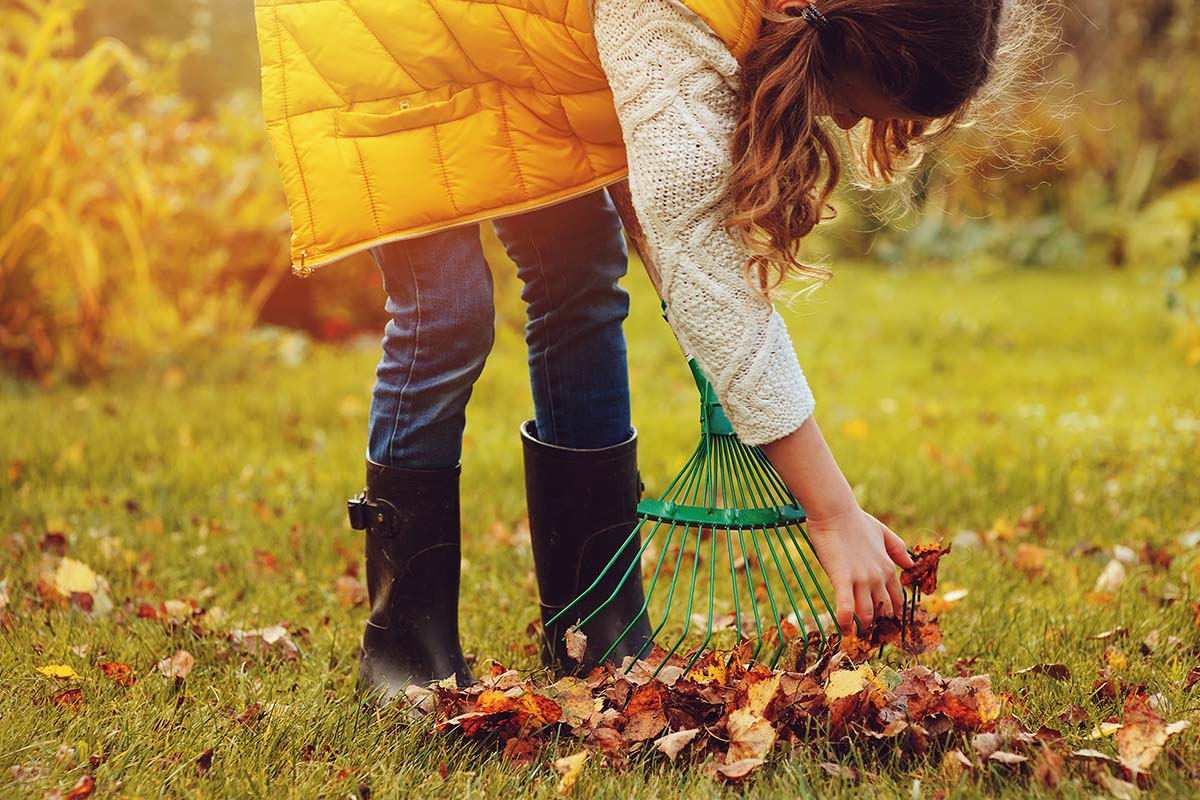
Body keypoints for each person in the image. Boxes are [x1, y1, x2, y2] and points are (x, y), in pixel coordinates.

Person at [253, 0, 1028, 703]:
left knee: (580, 273)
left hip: (516, 42)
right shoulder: (669, 10)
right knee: (447, 310)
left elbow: (669, 203)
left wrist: (701, 318)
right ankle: (405, 650)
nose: (850, 126)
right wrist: (831, 512)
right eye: (856, 109)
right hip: (379, 30)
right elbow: (696, 235)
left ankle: (596, 627)